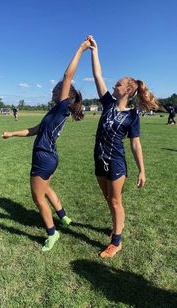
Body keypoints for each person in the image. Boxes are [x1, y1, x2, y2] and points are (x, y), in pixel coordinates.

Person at [2, 39, 90, 251]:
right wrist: (11, 133)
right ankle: (64, 217)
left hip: (43, 157)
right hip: (49, 156)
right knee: (46, 188)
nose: (51, 92)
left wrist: (81, 48)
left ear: (63, 95)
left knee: (37, 198)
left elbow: (68, 76)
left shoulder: (61, 108)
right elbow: (34, 130)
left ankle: (52, 233)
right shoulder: (53, 112)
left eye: (55, 90)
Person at [88, 35, 158, 258]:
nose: (113, 85)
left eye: (118, 84)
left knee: (116, 200)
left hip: (116, 162)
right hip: (99, 159)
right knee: (108, 199)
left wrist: (142, 170)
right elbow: (97, 75)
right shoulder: (108, 103)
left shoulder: (133, 115)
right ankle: (116, 228)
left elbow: (135, 144)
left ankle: (116, 242)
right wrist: (94, 51)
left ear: (127, 90)